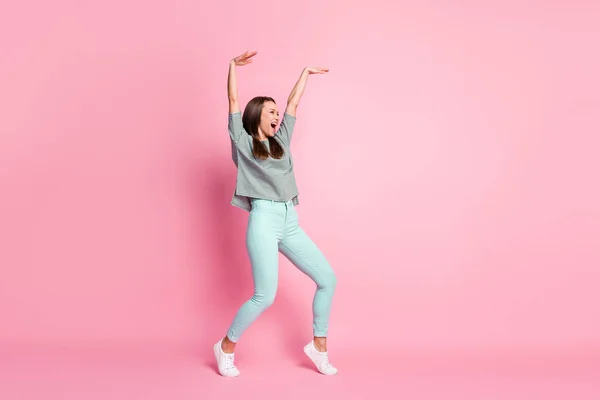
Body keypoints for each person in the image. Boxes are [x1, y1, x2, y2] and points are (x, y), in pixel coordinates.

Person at [213, 50, 338, 377]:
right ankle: (226, 345)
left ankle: (319, 346)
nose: (277, 115)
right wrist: (231, 67)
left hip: (289, 220)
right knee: (265, 296)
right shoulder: (242, 141)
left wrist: (305, 73)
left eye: (276, 112)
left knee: (327, 280)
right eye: (270, 111)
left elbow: (293, 105)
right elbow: (233, 99)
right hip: (264, 221)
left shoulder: (281, 141)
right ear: (257, 117)